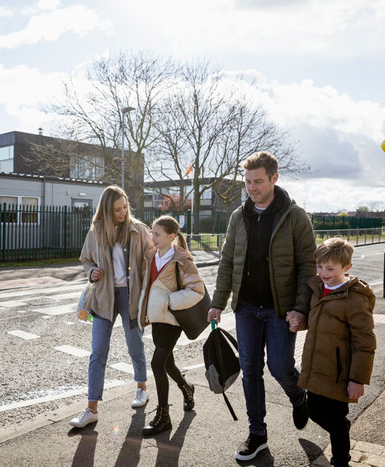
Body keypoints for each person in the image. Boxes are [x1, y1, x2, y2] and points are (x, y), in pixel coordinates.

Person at [207, 151, 316, 461]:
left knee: (280, 367)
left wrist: (300, 308)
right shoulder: (238, 217)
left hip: (280, 310)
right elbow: (227, 262)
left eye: (258, 181)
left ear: (273, 179)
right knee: (249, 370)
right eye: (247, 182)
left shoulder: (295, 217)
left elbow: (308, 267)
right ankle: (258, 434)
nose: (251, 188)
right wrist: (217, 303)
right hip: (246, 309)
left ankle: (298, 396)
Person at [70, 185, 154, 429]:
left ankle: (141, 388)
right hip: (104, 296)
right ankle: (92, 408)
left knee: (134, 344)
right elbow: (85, 259)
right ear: (106, 210)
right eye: (117, 209)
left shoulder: (138, 230)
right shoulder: (96, 231)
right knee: (98, 352)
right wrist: (91, 271)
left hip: (131, 296)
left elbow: (154, 256)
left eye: (125, 207)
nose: (123, 212)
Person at [298, 237, 376, 467]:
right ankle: (340, 430)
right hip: (316, 367)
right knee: (313, 412)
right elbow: (317, 322)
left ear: (347, 268)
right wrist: (299, 321)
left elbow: (365, 342)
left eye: (330, 268)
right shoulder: (317, 289)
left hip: (339, 374)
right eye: (320, 267)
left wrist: (357, 379)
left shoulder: (354, 299)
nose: (323, 272)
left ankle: (341, 460)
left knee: (336, 420)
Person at [138, 215, 204, 436]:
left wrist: (168, 302)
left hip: (172, 320)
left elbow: (197, 291)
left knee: (157, 364)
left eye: (157, 234)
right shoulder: (151, 256)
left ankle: (163, 416)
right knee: (168, 365)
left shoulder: (182, 260)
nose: (152, 238)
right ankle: (187, 388)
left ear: (171, 236)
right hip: (157, 319)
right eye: (152, 233)